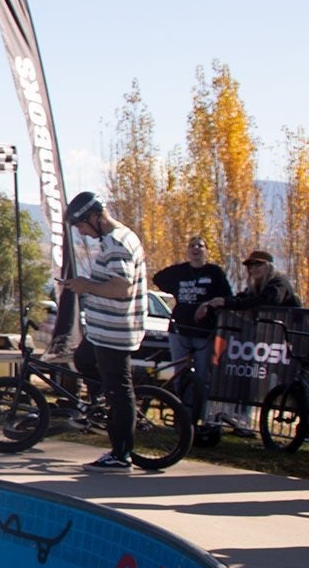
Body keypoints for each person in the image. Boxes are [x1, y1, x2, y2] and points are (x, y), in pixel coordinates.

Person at [57, 192, 148, 472]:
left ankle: (121, 454)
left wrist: (87, 286)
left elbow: (121, 288)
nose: (82, 232)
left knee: (119, 391)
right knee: (83, 360)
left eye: (82, 226)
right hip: (102, 330)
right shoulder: (116, 237)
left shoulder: (116, 243)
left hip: (115, 331)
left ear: (95, 217)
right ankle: (100, 409)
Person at [150, 237, 233, 421]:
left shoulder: (214, 272)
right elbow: (158, 278)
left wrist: (209, 304)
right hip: (179, 329)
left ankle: (200, 415)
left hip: (204, 332)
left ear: (206, 251)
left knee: (203, 376)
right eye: (192, 246)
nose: (196, 249)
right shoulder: (181, 270)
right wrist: (174, 291)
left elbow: (227, 297)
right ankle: (181, 414)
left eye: (200, 246)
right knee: (179, 374)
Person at [202, 250, 302, 314]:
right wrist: (214, 302)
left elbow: (266, 301)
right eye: (251, 267)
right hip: (269, 337)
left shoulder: (279, 283)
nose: (254, 269)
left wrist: (227, 302)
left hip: (291, 336)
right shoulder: (255, 287)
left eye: (258, 265)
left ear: (269, 266)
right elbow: (242, 298)